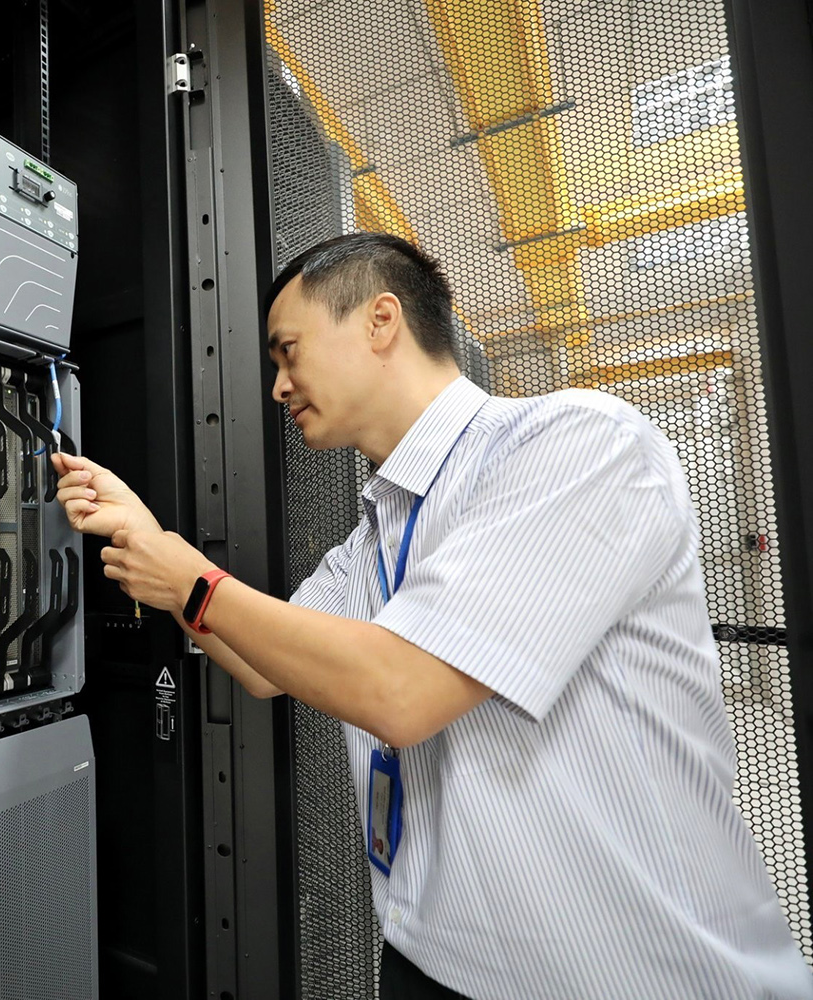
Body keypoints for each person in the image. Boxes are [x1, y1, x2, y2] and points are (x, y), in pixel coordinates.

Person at [50, 232, 813, 999]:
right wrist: (148, 540)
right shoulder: (370, 540)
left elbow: (402, 690)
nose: (278, 387)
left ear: (380, 321)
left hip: (629, 974)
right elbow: (260, 665)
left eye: (289, 353)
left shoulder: (576, 444)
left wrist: (194, 583)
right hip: (431, 960)